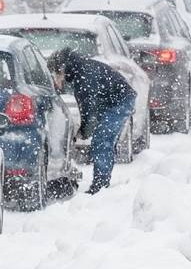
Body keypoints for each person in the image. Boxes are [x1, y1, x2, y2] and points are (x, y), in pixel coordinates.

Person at [47, 47, 136, 195]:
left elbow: (89, 110)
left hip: (121, 101)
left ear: (62, 68)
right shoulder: (80, 71)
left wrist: (83, 132)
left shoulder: (84, 76)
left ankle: (100, 187)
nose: (56, 79)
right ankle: (102, 180)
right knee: (104, 141)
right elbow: (87, 107)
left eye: (56, 74)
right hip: (111, 101)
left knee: (102, 141)